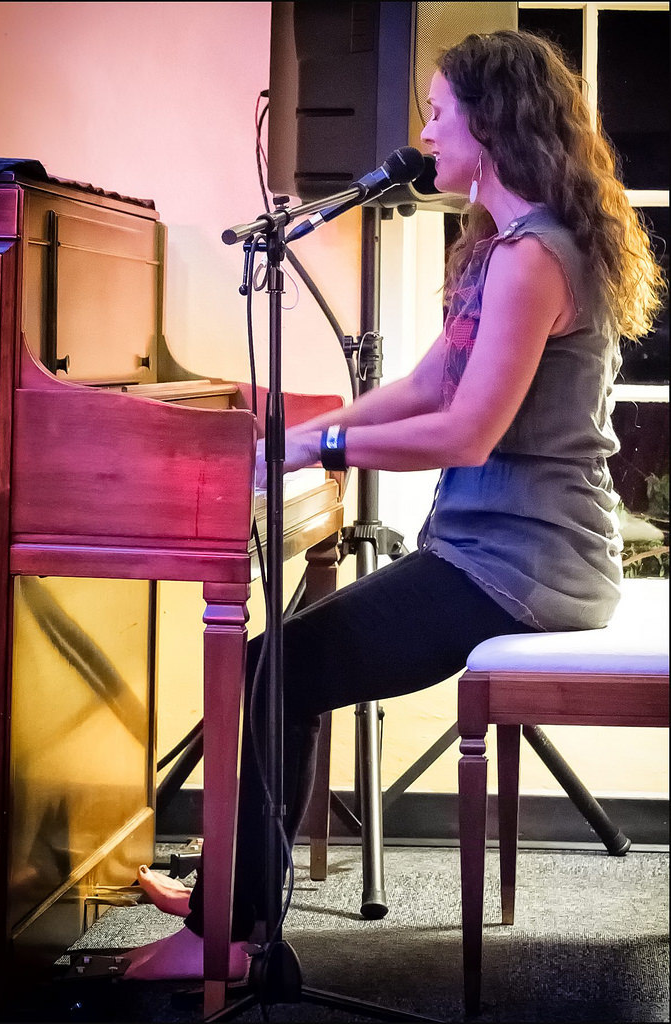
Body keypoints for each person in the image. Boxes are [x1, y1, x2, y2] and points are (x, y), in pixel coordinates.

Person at [125, 29, 665, 979]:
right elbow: (422, 388)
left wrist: (317, 447)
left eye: (436, 112)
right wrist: (292, 438)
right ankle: (230, 896)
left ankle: (230, 939)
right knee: (275, 664)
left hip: (524, 571)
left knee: (273, 669)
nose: (423, 133)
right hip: (506, 557)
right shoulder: (512, 244)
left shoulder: (534, 256)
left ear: (489, 123)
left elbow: (465, 433)